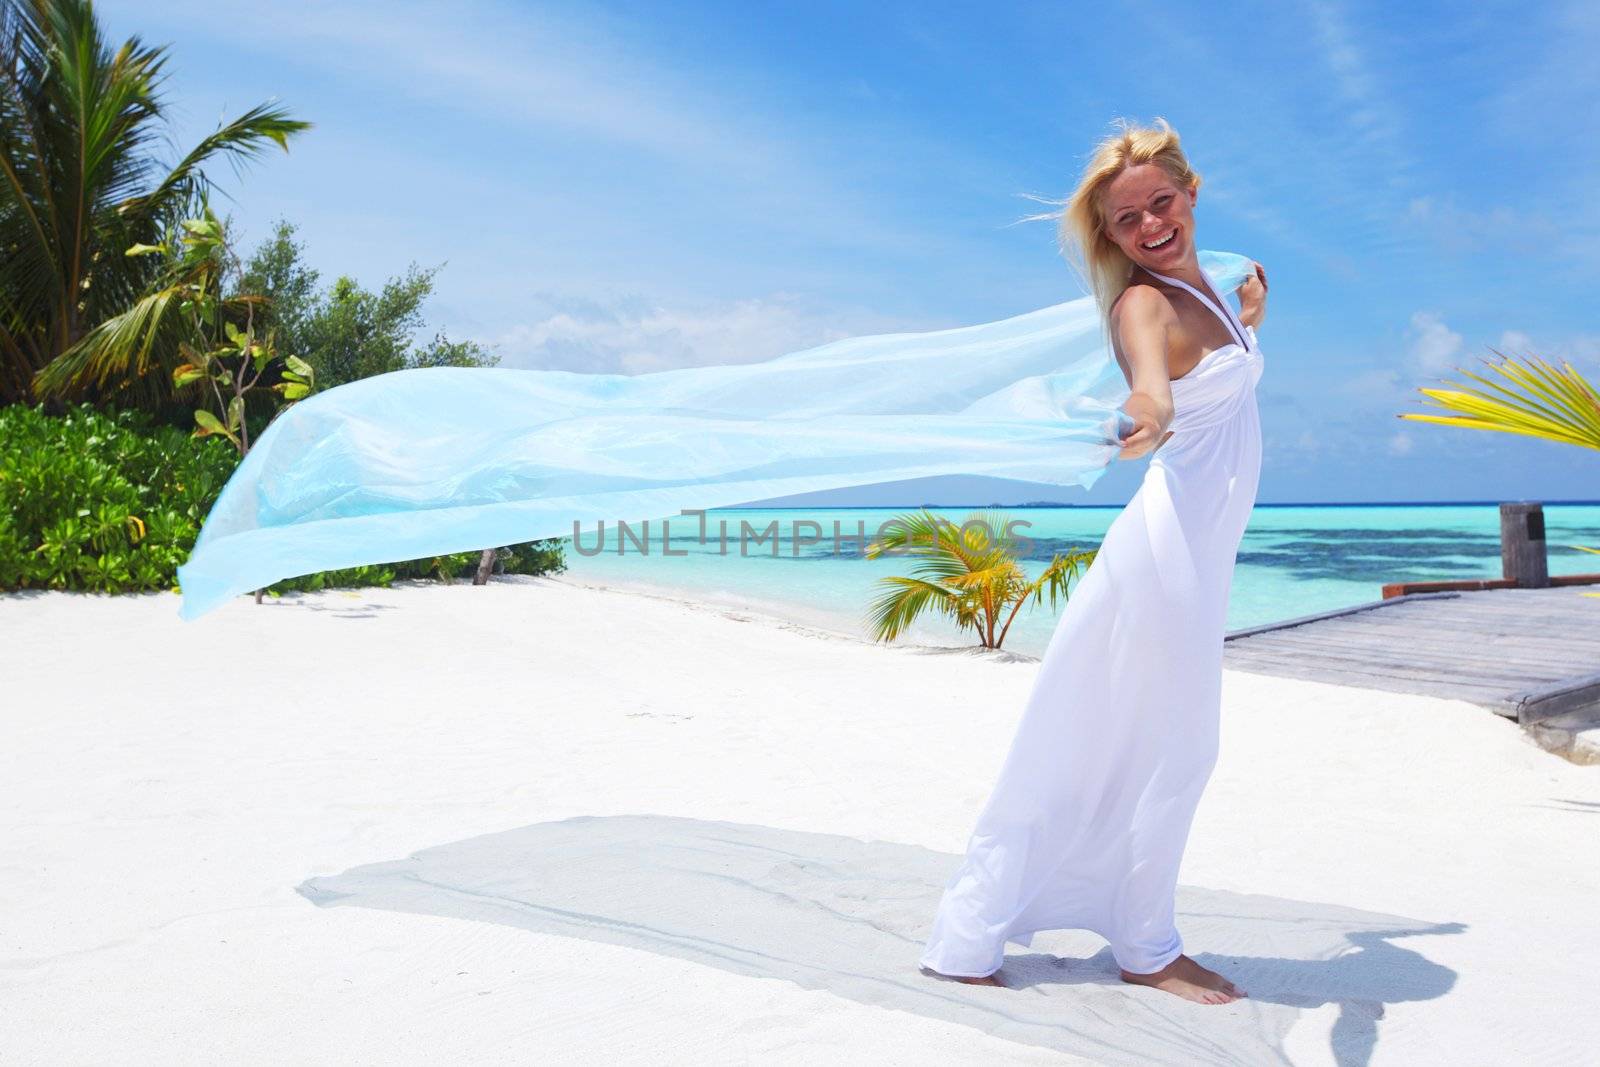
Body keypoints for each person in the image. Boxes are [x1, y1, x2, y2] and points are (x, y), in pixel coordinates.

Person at [917, 117, 1268, 1005]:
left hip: (1198, 547)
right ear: (1111, 240)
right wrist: (1143, 415)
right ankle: (1140, 944)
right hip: (1169, 548)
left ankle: (1042, 930)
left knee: (1134, 739)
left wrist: (1251, 286)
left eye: (1162, 203)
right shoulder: (1142, 304)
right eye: (1127, 221)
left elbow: (1238, 300)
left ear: (1193, 196)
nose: (1150, 227)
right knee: (1161, 745)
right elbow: (1150, 385)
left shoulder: (1222, 286)